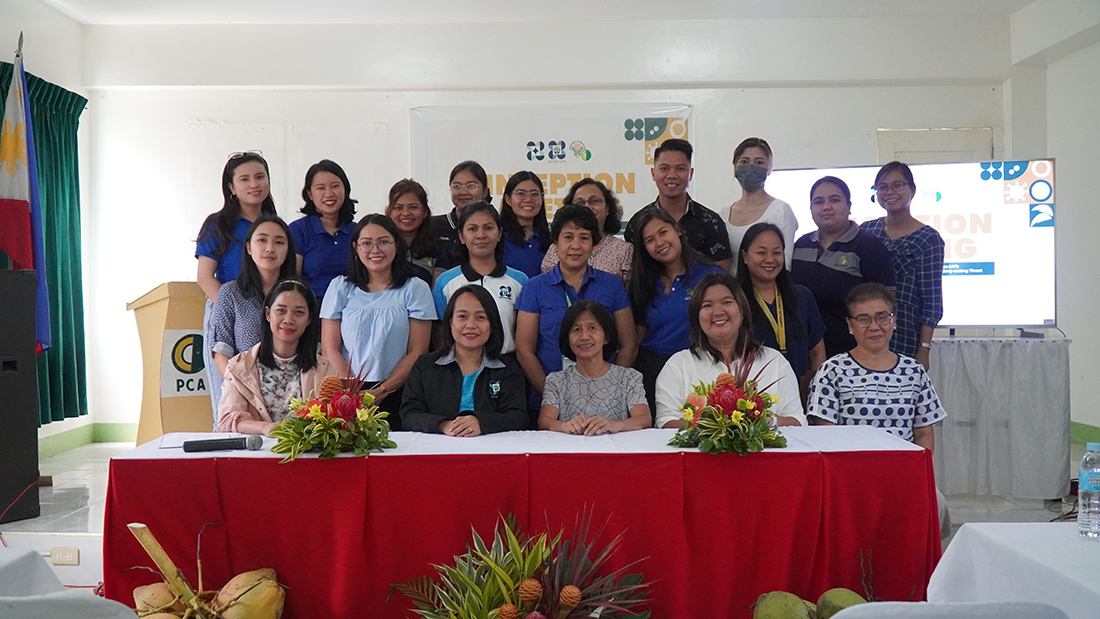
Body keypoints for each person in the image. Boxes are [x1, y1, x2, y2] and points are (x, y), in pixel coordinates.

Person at [807, 282, 949, 538]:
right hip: (850, 479)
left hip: (904, 476)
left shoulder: (914, 371)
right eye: (863, 319)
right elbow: (824, 435)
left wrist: (916, 475)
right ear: (850, 326)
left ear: (894, 321)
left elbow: (924, 434)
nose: (874, 326)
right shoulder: (832, 370)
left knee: (935, 507)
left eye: (882, 317)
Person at [515, 205, 637, 416]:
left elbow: (629, 344)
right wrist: (553, 398)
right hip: (548, 405)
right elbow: (525, 351)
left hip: (606, 406)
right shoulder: (535, 287)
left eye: (584, 238)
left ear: (593, 244)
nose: (576, 245)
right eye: (568, 237)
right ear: (556, 244)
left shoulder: (611, 285)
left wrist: (610, 391)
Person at [320, 215, 437, 428]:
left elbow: (418, 351)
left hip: (401, 390)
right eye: (367, 243)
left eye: (383, 242)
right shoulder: (340, 288)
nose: (375, 250)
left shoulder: (415, 288)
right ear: (356, 247)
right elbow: (330, 350)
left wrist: (381, 391)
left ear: (396, 245)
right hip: (347, 393)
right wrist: (352, 393)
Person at [654, 272, 805, 429]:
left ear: (743, 310)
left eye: (726, 302)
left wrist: (762, 422)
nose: (718, 311)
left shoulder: (774, 361)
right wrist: (717, 427)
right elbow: (666, 422)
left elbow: (797, 421)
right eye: (707, 305)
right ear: (696, 316)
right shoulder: (678, 365)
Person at [195, 150, 277, 416]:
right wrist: (234, 308)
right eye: (244, 179)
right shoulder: (217, 225)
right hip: (227, 314)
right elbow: (205, 277)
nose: (254, 184)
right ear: (231, 187)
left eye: (260, 177)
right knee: (229, 399)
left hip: (269, 315)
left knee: (268, 400)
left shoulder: (275, 224)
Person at [628, 206, 724, 415]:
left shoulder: (710, 276)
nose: (660, 243)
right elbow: (637, 337)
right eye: (650, 240)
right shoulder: (643, 283)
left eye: (663, 232)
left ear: (678, 230)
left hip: (699, 367)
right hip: (652, 370)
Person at [790, 176, 896, 358]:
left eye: (834, 200)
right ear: (810, 208)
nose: (826, 207)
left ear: (849, 206)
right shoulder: (800, 244)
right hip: (804, 354)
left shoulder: (869, 246)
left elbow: (885, 306)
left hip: (853, 357)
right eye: (818, 201)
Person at [401, 285, 529, 435]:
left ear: (492, 325)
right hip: (437, 451)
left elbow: (518, 418)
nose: (470, 325)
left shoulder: (508, 369)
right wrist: (443, 425)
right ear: (450, 322)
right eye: (462, 316)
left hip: (491, 452)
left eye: (480, 317)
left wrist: (482, 423)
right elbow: (409, 416)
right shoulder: (425, 366)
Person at [215, 279, 337, 434]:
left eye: (299, 312)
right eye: (281, 310)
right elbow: (228, 420)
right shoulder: (239, 367)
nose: (288, 320)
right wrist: (268, 428)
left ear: (309, 320)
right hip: (255, 454)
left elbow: (333, 420)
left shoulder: (325, 369)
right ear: (268, 314)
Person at [861, 162, 945, 369]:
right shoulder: (866, 231)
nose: (889, 192)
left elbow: (931, 302)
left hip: (904, 336)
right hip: (863, 333)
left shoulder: (928, 239)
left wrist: (924, 348)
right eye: (882, 187)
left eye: (897, 185)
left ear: (912, 190)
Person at [737, 223, 826, 407]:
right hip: (751, 397)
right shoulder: (734, 300)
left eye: (777, 252)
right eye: (761, 252)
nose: (770, 259)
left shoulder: (802, 296)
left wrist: (816, 393)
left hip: (799, 394)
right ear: (745, 256)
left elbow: (817, 353)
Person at [210, 216, 298, 396]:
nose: (270, 248)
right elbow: (221, 350)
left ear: (288, 249)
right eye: (262, 240)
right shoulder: (231, 292)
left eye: (279, 242)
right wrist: (241, 388)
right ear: (249, 247)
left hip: (293, 393)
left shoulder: (300, 294)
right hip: (244, 389)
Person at [539, 301, 651, 435]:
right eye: (576, 330)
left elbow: (644, 420)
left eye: (592, 328)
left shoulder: (629, 377)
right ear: (567, 340)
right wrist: (564, 426)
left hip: (616, 453)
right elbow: (544, 421)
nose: (584, 336)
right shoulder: (556, 381)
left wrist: (614, 425)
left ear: (606, 337)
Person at [433, 201, 528, 356]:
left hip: (507, 366)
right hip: (458, 366)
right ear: (462, 236)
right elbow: (438, 332)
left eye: (488, 228)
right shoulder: (445, 282)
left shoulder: (520, 281)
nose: (481, 235)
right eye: (472, 229)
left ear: (499, 234)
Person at [623, 139, 733, 270]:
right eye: (664, 168)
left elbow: (721, 272)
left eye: (680, 169)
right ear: (653, 173)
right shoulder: (637, 223)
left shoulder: (711, 222)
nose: (671, 175)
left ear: (690, 174)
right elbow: (634, 272)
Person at [716, 137, 799, 273]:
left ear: (769, 168)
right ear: (735, 167)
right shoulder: (723, 214)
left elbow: (784, 265)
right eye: (744, 162)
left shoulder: (780, 210)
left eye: (759, 162)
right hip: (729, 292)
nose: (751, 168)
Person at [289, 159, 357, 301]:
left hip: (353, 307)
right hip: (313, 307)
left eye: (335, 186)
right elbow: (292, 281)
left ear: (345, 189)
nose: (329, 193)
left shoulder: (358, 231)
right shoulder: (298, 230)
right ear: (310, 194)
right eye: (320, 188)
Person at [542, 178, 632, 282]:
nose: (587, 206)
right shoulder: (555, 249)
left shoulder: (624, 251)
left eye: (594, 201)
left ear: (607, 208)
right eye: (580, 202)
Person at [385, 178, 448, 285]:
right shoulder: (382, 248)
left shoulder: (437, 250)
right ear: (390, 212)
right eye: (398, 208)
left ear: (424, 212)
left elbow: (437, 291)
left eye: (413, 207)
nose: (405, 213)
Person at [433, 161, 491, 270]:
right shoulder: (434, 225)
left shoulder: (495, 225)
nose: (463, 192)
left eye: (471, 186)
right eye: (457, 186)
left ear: (485, 191)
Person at [499, 171, 552, 279]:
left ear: (542, 199)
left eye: (535, 194)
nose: (528, 199)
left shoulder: (552, 240)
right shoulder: (498, 238)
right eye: (520, 193)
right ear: (508, 199)